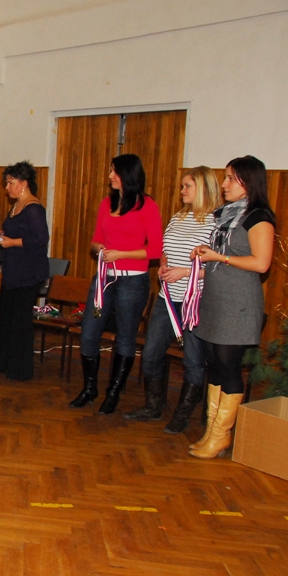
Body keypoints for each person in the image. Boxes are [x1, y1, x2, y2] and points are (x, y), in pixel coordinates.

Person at [189, 156, 275, 459]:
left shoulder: (258, 217)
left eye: (230, 179)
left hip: (238, 303)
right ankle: (212, 431)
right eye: (225, 178)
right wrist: (206, 255)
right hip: (215, 299)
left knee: (228, 366)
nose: (224, 184)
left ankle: (221, 436)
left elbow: (261, 263)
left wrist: (218, 257)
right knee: (214, 364)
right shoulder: (225, 215)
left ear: (248, 182)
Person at [122, 167, 219, 430]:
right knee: (151, 353)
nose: (182, 191)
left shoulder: (215, 223)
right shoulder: (178, 217)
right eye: (182, 186)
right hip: (168, 298)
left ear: (203, 188)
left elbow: (219, 269)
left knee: (193, 360)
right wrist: (164, 266)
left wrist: (185, 272)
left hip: (195, 302)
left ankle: (182, 415)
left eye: (187, 186)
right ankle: (154, 407)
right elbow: (165, 250)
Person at [68, 154, 163, 414]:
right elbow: (95, 240)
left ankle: (113, 392)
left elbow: (155, 249)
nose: (110, 176)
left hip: (132, 280)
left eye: (115, 172)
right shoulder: (106, 203)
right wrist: (99, 248)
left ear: (128, 175)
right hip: (104, 277)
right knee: (89, 333)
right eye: (110, 171)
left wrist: (122, 254)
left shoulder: (147, 206)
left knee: (125, 337)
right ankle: (90, 388)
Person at [0, 161, 50, 380]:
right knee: (7, 317)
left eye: (11, 183)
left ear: (24, 183)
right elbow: (19, 232)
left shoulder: (33, 208)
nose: (7, 188)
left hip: (28, 272)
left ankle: (20, 369)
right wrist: (1, 234)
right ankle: (1, 361)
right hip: (14, 269)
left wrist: (12, 242)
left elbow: (41, 238)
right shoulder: (17, 205)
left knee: (20, 321)